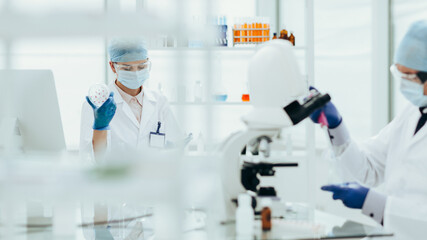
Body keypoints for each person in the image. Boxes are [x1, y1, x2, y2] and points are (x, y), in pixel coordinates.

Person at [310, 20, 427, 232]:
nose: (403, 85)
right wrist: (336, 127)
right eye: (398, 74)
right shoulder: (411, 113)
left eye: (409, 77)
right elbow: (368, 168)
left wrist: (377, 205)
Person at [80, 38, 185, 162]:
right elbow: (92, 159)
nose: (135, 73)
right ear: (113, 67)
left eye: (141, 67)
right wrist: (100, 128)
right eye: (127, 68)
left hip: (154, 177)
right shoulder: (97, 104)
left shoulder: (159, 102)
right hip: (117, 180)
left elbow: (177, 146)